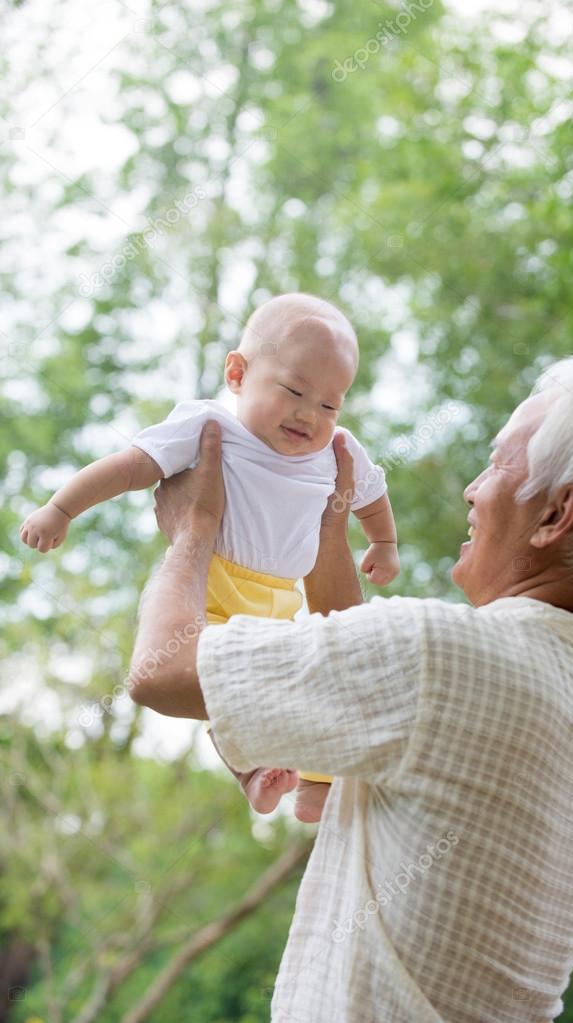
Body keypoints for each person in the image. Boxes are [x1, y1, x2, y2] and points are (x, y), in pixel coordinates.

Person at [127, 352, 573, 1022]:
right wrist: (329, 522)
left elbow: (161, 671)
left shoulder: (446, 657)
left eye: (498, 463)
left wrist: (194, 532)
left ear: (555, 513)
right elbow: (377, 698)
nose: (472, 490)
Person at [19, 292, 400, 824]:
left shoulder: (337, 447)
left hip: (283, 597)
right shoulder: (207, 427)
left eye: (329, 404)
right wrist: (61, 508)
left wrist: (383, 544)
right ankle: (251, 774)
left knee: (314, 681)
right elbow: (129, 468)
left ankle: (317, 784)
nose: (309, 415)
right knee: (222, 683)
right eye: (294, 391)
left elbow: (371, 496)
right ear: (238, 373)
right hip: (213, 587)